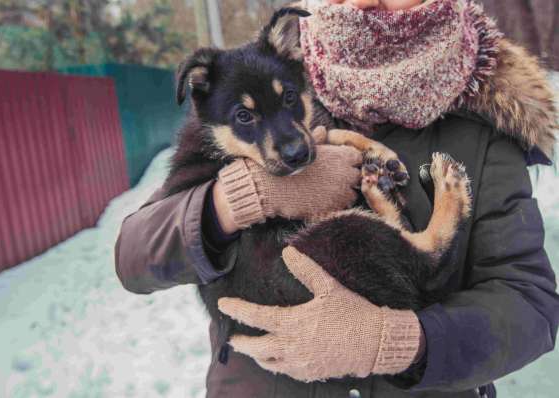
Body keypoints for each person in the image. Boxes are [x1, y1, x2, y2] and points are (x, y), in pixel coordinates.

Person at [115, 0, 559, 396]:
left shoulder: (484, 128)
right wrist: (241, 198)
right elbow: (134, 258)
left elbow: (530, 306)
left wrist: (396, 341)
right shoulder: (276, 75)